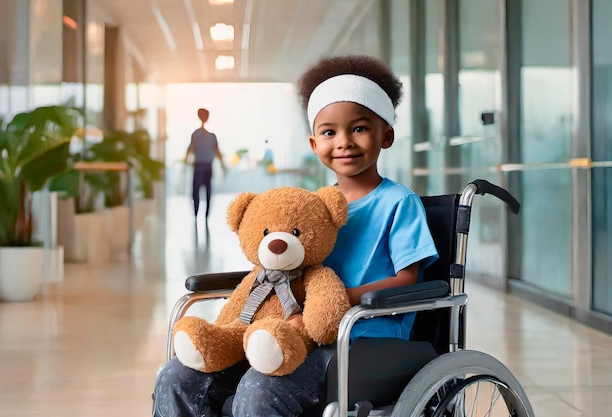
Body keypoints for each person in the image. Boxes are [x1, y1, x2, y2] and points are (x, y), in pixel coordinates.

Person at [154, 55, 438, 417]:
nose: (344, 142)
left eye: (360, 128)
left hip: (365, 335)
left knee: (262, 389)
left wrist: (335, 304)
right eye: (329, 132)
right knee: (177, 376)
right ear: (313, 143)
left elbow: (407, 278)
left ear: (387, 134)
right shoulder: (314, 208)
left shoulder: (399, 203)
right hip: (288, 329)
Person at [185, 108, 226, 220]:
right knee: (199, 191)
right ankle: (198, 213)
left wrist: (223, 165)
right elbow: (191, 148)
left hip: (204, 166)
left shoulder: (208, 136)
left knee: (205, 191)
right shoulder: (200, 135)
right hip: (201, 166)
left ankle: (203, 214)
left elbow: (216, 151)